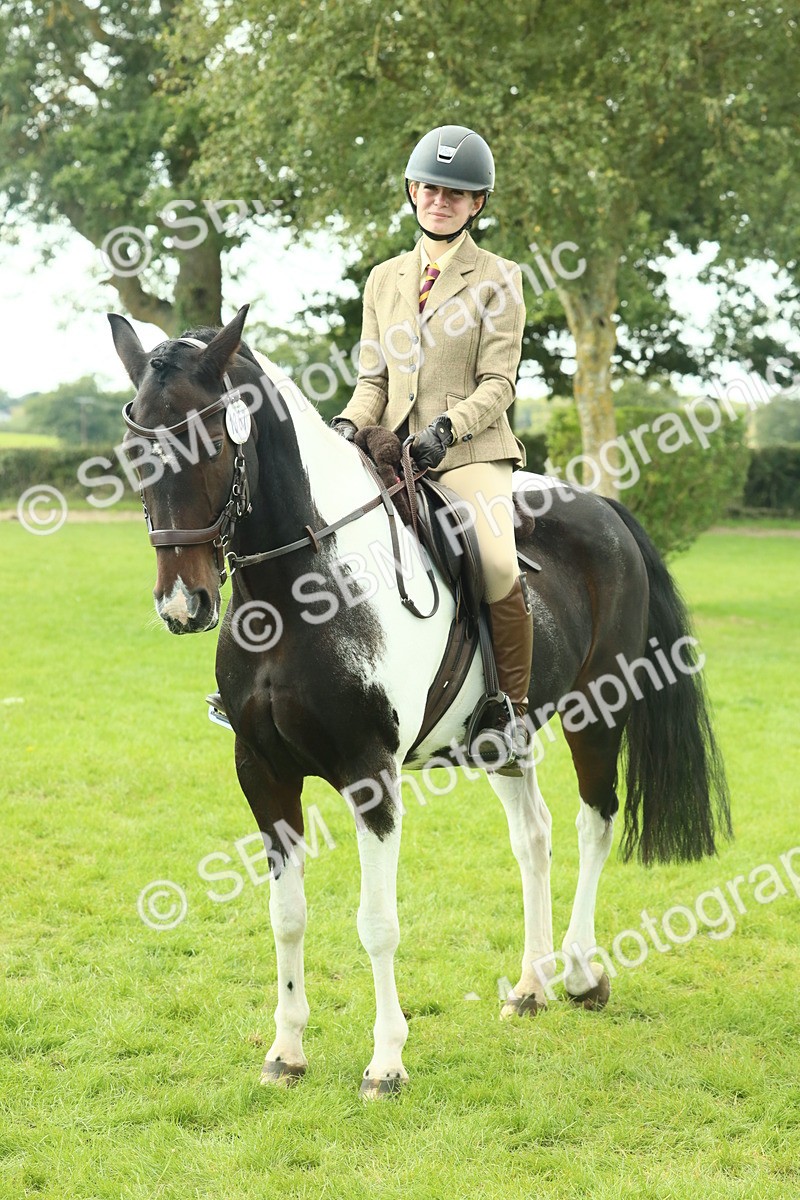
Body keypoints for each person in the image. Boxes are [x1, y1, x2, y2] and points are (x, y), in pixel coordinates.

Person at [331, 124, 533, 766]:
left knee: (497, 562)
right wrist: (344, 426)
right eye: (431, 188)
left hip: (470, 453)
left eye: (457, 193)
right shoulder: (383, 279)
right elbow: (373, 380)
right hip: (387, 448)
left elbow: (500, 382)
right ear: (413, 191)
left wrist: (446, 431)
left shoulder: (499, 278)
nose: (440, 201)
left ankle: (510, 708)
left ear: (477, 204)